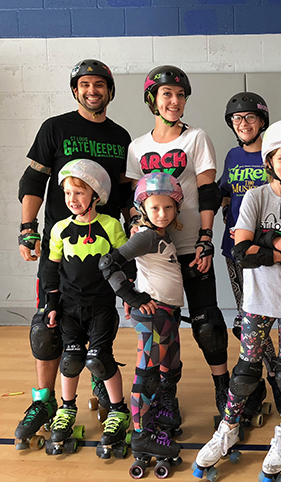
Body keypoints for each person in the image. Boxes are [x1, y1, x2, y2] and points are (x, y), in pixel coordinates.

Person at [194, 120, 281, 481]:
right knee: (246, 370)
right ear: (270, 161)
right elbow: (242, 253)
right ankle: (229, 427)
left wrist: (267, 239)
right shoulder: (255, 196)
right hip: (256, 300)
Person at [15, 59, 131, 449]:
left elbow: (125, 193)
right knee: (48, 331)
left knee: (98, 327)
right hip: (60, 247)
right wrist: (27, 229)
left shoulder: (120, 136)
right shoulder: (56, 128)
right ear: (75, 90)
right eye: (85, 84)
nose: (92, 90)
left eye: (100, 85)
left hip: (104, 247)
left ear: (109, 91)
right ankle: (47, 402)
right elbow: (33, 178)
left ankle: (104, 386)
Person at [126, 65, 227, 431]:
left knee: (208, 324)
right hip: (156, 253)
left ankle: (223, 387)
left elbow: (208, 191)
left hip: (189, 245)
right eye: (167, 94)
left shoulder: (197, 137)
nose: (175, 101)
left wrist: (205, 238)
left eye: (180, 95)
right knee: (160, 328)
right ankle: (167, 394)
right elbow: (133, 201)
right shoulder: (137, 147)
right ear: (152, 98)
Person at [42, 159, 130, 457]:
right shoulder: (60, 229)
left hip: (102, 306)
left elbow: (125, 265)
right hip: (69, 307)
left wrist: (129, 297)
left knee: (100, 359)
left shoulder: (110, 226)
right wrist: (51, 305)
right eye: (68, 194)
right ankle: (66, 408)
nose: (72, 200)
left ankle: (118, 411)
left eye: (78, 193)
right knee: (71, 359)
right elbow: (52, 271)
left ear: (96, 194)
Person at [100, 172, 184, 465]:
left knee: (170, 368)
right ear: (144, 209)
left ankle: (158, 414)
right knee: (146, 376)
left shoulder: (162, 234)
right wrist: (132, 297)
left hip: (167, 313)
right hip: (153, 313)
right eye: (155, 208)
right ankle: (141, 435)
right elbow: (108, 263)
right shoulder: (146, 235)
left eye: (168, 208)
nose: (162, 214)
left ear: (176, 208)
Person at [218, 92, 281, 414]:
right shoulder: (231, 156)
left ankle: (279, 378)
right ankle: (256, 383)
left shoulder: (273, 156)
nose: (243, 124)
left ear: (262, 122)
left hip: (267, 252)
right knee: (247, 323)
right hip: (235, 252)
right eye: (237, 119)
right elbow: (225, 192)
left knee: (267, 319)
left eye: (250, 118)